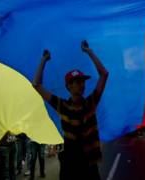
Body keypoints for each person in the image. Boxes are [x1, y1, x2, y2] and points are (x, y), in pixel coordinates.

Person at [33, 40, 109, 180]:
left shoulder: (91, 102)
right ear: (68, 86)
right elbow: (36, 85)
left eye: (83, 81)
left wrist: (89, 51)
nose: (82, 85)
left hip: (89, 163)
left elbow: (104, 74)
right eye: (77, 82)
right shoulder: (62, 105)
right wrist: (44, 59)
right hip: (70, 163)